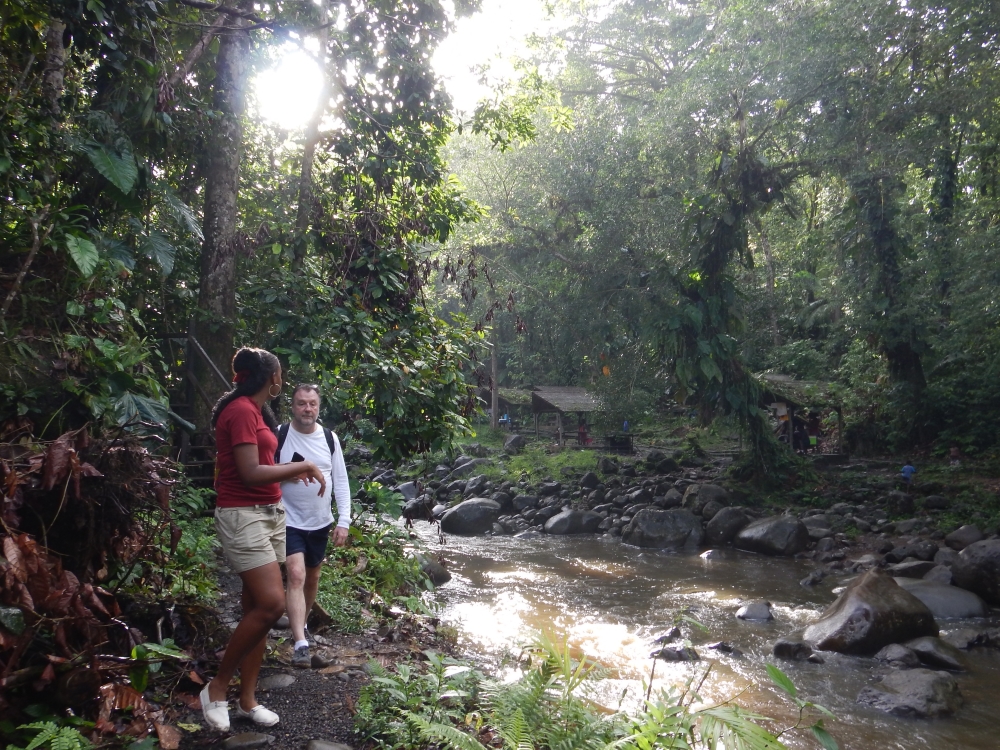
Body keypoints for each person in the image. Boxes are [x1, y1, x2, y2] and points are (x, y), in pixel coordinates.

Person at [200, 348, 326, 732]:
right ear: (269, 378)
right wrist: (303, 464)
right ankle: (216, 688)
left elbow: (265, 469)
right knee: (272, 604)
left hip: (271, 514)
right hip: (243, 515)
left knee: (256, 607)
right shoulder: (240, 412)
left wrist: (289, 473)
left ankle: (247, 699)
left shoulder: (256, 412)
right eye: (281, 374)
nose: (282, 379)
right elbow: (251, 472)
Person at [275, 384, 351, 668]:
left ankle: (301, 624)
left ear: (319, 407)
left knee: (312, 578)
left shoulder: (330, 439)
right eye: (301, 403)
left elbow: (341, 482)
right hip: (287, 519)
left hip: (319, 522)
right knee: (295, 575)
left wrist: (343, 521)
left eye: (312, 404)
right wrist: (289, 473)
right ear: (292, 407)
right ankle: (300, 643)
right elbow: (262, 473)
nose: (307, 409)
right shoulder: (280, 436)